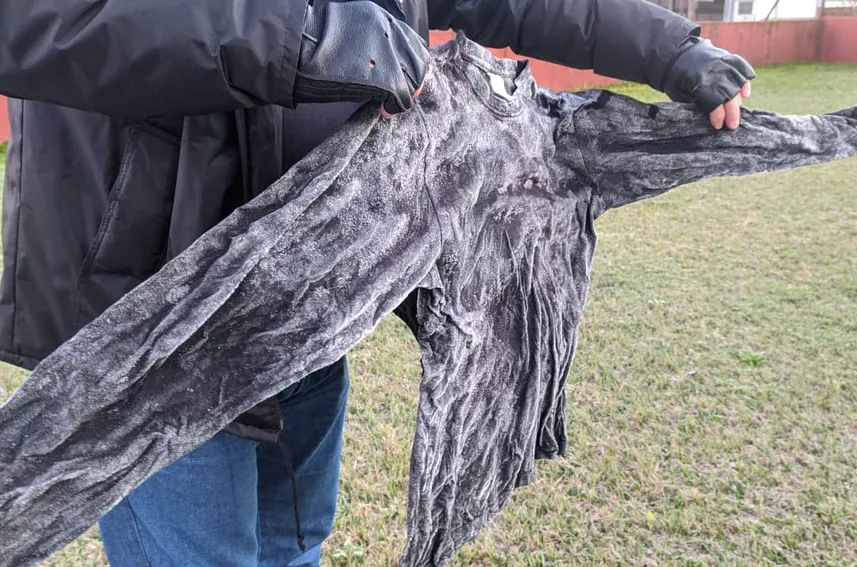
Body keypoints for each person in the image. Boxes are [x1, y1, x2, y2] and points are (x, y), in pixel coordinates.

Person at [0, 1, 754, 564]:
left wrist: (670, 48)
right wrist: (300, 35)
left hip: (312, 301)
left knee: (296, 546)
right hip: (152, 324)